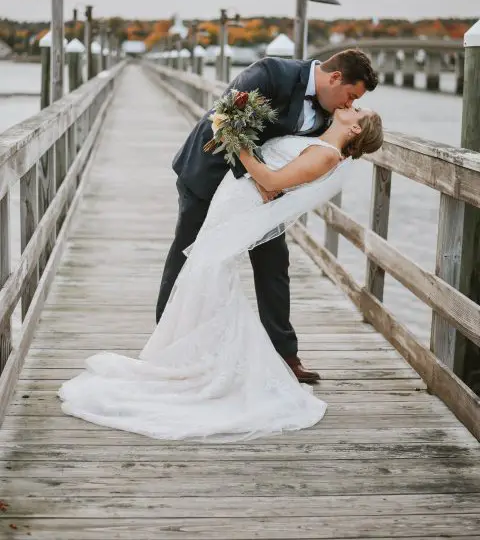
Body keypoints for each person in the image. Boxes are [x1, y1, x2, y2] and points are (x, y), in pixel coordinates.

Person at [59, 104, 383, 442]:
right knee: (205, 276)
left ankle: (206, 365)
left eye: (357, 109)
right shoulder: (319, 138)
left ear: (356, 130)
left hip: (240, 207)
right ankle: (193, 358)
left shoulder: (328, 156)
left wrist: (236, 140)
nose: (351, 105)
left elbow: (272, 180)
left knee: (210, 277)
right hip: (233, 199)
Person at [156, 49, 378, 382]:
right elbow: (225, 120)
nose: (349, 105)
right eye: (351, 95)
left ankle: (285, 355)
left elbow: (313, 157)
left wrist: (271, 184)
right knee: (188, 254)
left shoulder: (333, 115)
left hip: (263, 196)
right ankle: (165, 341)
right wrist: (258, 179)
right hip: (211, 174)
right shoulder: (271, 73)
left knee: (274, 263)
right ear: (334, 78)